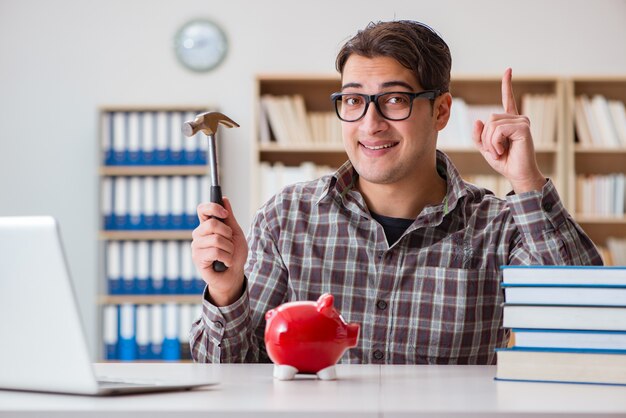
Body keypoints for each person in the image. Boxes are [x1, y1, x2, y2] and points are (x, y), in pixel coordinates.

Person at [189, 20, 603, 365]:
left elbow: (587, 320)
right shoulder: (287, 217)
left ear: (440, 111)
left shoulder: (498, 226)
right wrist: (227, 291)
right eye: (353, 101)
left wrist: (527, 182)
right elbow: (231, 374)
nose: (370, 124)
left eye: (394, 99)